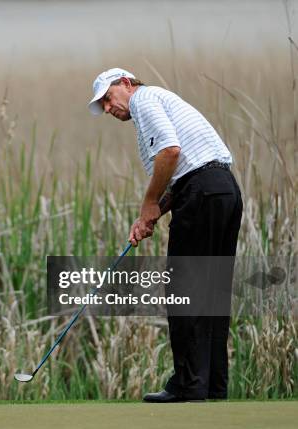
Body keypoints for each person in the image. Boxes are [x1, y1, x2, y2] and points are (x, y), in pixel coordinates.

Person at [88, 68, 243, 402]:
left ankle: (189, 385)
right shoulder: (158, 101)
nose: (108, 109)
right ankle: (212, 385)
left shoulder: (144, 99)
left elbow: (170, 152)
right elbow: (184, 171)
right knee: (212, 291)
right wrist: (154, 212)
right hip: (223, 190)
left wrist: (147, 203)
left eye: (108, 99)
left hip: (202, 191)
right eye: (103, 106)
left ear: (126, 84)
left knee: (184, 289)